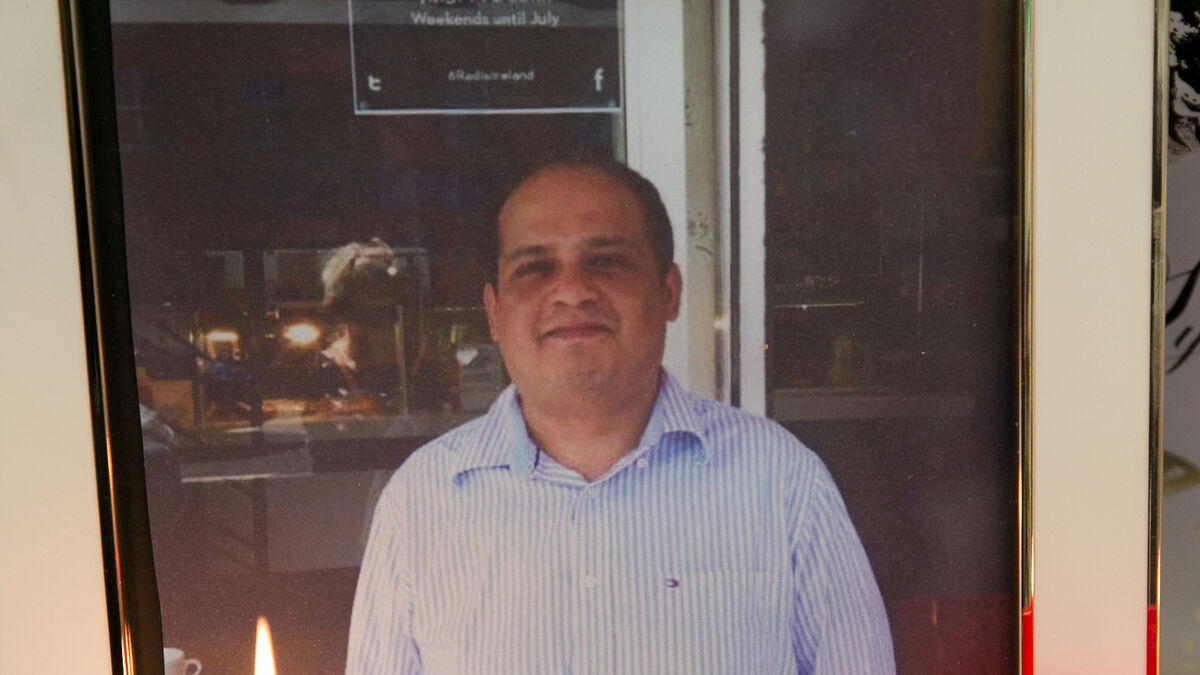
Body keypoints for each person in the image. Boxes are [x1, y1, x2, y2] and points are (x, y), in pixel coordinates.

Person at [346, 160, 894, 674]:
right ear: (494, 312)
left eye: (606, 261)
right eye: (535, 267)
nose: (571, 290)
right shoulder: (421, 499)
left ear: (669, 292)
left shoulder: (780, 480)